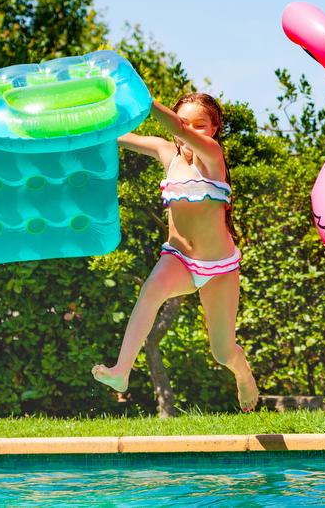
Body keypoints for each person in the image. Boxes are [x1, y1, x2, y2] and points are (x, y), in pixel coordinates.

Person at [92, 92, 259, 411]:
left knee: (222, 352)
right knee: (150, 292)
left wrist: (144, 99)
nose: (192, 130)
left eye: (201, 125)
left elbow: (179, 129)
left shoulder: (212, 155)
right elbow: (119, 137)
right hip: (179, 259)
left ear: (214, 129)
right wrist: (87, 125)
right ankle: (121, 372)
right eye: (186, 122)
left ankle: (243, 375)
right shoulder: (166, 152)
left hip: (220, 268)